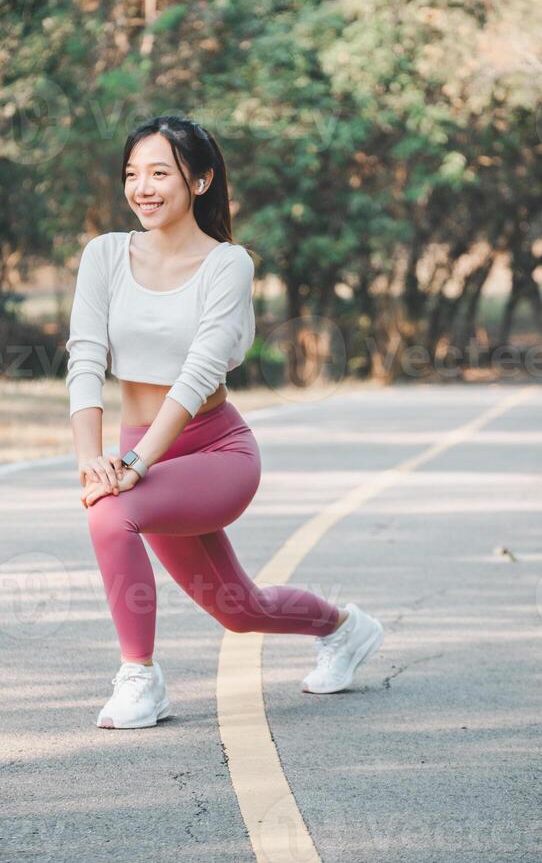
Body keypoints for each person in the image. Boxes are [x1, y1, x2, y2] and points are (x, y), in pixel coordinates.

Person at [65, 115, 384, 730]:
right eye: (132, 174)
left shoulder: (227, 264)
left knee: (109, 514)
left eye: (161, 172)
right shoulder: (104, 255)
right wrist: (93, 458)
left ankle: (140, 679)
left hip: (215, 454)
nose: (143, 188)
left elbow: (198, 372)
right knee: (238, 608)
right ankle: (344, 628)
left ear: (202, 181)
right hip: (141, 451)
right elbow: (85, 356)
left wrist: (133, 467)